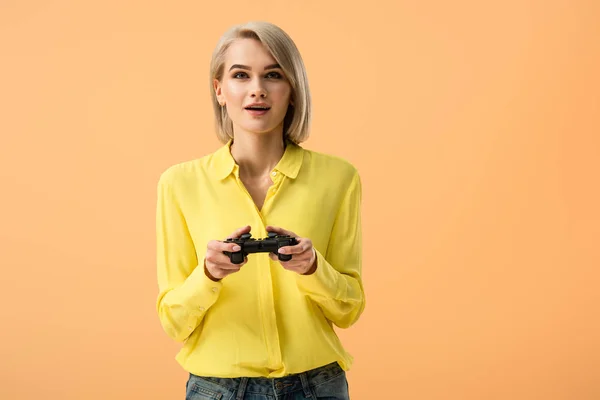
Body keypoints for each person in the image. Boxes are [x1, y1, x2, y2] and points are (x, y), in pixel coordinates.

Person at [155, 20, 365, 400]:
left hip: (317, 386)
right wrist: (209, 274)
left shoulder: (339, 178)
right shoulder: (179, 183)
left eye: (273, 75)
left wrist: (312, 267)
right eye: (240, 75)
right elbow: (173, 321)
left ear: (293, 91)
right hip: (216, 389)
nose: (257, 90)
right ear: (220, 90)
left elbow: (348, 310)